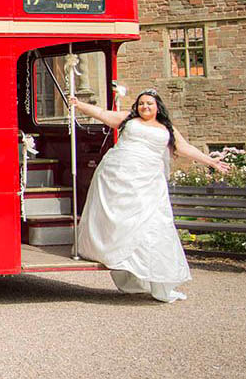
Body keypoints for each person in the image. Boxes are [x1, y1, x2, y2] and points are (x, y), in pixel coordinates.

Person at [68, 89, 229, 303]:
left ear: (157, 107)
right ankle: (124, 267)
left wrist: (210, 161)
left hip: (148, 183)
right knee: (122, 222)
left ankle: (158, 280)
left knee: (153, 226)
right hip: (118, 177)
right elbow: (102, 113)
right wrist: (79, 105)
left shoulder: (167, 128)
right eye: (141, 103)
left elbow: (183, 147)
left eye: (149, 104)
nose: (145, 107)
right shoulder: (128, 120)